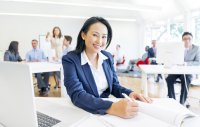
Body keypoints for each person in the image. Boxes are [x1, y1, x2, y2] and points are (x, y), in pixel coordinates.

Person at [62, 17, 152, 118]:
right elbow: (77, 94)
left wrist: (130, 93)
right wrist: (112, 107)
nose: (100, 41)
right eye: (95, 35)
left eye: (104, 37)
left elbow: (114, 86)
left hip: (105, 113)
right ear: (83, 35)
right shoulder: (70, 59)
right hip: (82, 111)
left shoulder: (108, 57)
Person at [166, 32, 200, 105]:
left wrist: (186, 63)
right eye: (185, 39)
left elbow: (198, 62)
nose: (187, 40)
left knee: (186, 79)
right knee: (169, 79)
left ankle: (182, 102)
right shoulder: (178, 48)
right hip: (177, 71)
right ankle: (172, 101)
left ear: (192, 40)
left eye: (189, 39)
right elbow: (173, 59)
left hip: (188, 72)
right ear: (182, 40)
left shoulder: (196, 48)